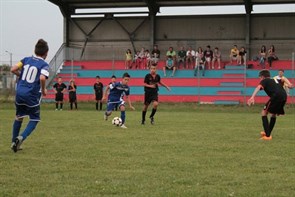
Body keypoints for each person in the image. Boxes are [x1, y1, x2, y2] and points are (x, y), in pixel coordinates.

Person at [10, 39, 49, 152]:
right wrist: (43, 89)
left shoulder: (26, 59)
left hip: (19, 93)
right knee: (35, 119)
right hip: (31, 95)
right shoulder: (44, 64)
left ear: (35, 50)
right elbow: (42, 78)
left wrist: (22, 76)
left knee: (19, 116)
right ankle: (21, 137)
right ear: (46, 53)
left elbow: (13, 69)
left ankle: (14, 143)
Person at [247, 69, 287, 140]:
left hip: (276, 96)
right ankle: (267, 133)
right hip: (284, 95)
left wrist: (252, 97)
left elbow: (258, 87)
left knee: (264, 112)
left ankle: (267, 136)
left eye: (259, 77)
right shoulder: (275, 80)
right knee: (273, 114)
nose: (259, 79)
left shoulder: (264, 80)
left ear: (262, 77)